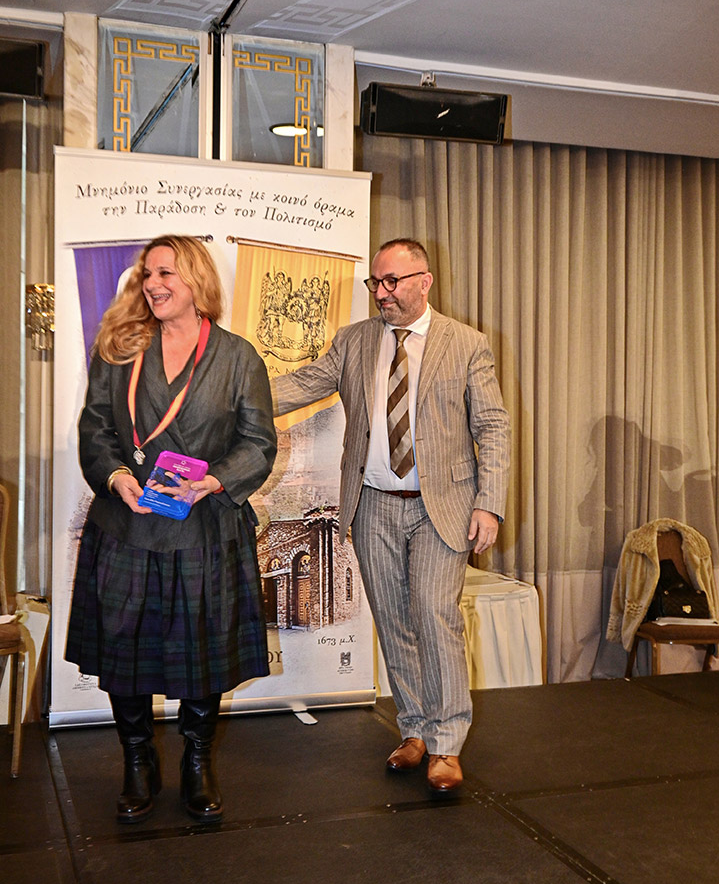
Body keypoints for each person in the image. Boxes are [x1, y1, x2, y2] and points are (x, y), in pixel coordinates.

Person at [272, 239, 510, 792]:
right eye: (375, 283)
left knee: (434, 615)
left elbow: (493, 427)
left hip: (442, 507)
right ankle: (415, 729)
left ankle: (447, 743)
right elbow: (302, 385)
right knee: (394, 620)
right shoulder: (354, 341)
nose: (381, 293)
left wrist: (489, 503)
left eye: (392, 282)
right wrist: (226, 391)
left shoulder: (467, 344)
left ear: (425, 281)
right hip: (373, 503)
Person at [66, 235, 277, 823]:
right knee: (124, 651)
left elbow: (258, 443)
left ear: (197, 281)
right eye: (148, 273)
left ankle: (197, 762)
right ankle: (137, 760)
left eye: (167, 273)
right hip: (127, 525)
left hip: (204, 528)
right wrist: (115, 478)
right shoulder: (120, 348)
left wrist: (213, 481)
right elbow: (95, 429)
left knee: (202, 653)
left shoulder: (238, 357)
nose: (154, 284)